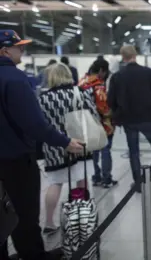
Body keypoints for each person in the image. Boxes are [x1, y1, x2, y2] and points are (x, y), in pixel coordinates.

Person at [0, 30, 84, 260]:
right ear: (5, 51)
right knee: (24, 214)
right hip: (16, 161)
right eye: (19, 47)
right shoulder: (15, 79)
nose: (22, 50)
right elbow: (33, 123)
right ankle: (33, 255)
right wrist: (64, 142)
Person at [38, 63, 98, 235]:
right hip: (79, 144)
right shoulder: (80, 93)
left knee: (55, 182)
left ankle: (49, 222)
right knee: (81, 178)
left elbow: (40, 124)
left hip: (54, 146)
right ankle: (82, 217)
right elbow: (92, 115)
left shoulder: (43, 98)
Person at [108, 45, 151, 192]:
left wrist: (118, 115)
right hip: (147, 117)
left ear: (122, 56)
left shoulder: (117, 76)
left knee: (134, 151)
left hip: (128, 120)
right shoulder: (148, 73)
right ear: (135, 55)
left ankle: (138, 182)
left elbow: (111, 100)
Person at [79, 58, 117, 188]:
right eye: (105, 73)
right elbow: (103, 107)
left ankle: (96, 177)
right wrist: (112, 115)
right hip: (101, 123)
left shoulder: (82, 81)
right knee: (105, 150)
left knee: (94, 151)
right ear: (101, 70)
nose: (105, 76)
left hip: (86, 122)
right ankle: (107, 179)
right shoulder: (98, 84)